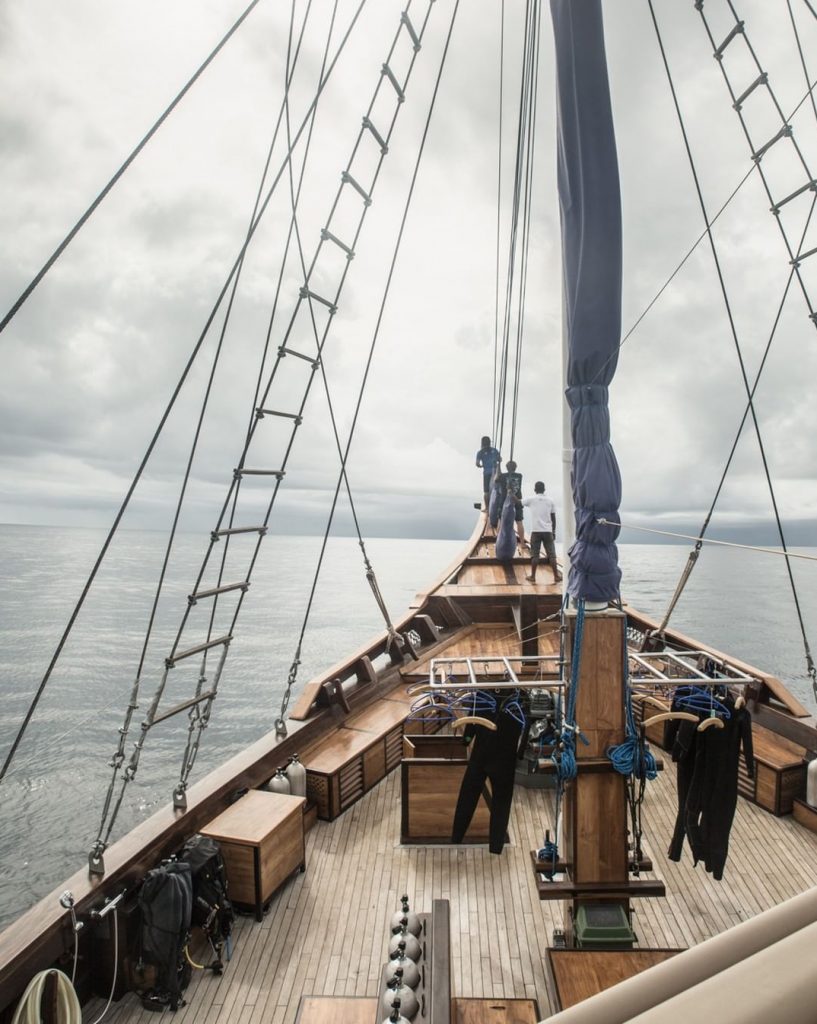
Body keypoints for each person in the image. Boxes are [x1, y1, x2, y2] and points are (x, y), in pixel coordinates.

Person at [521, 481, 562, 583]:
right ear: (544, 489)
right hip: (548, 531)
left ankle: (533, 577)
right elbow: (553, 518)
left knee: (535, 555)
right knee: (552, 555)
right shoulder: (550, 501)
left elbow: (518, 502)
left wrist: (510, 493)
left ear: (535, 490)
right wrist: (554, 532)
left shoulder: (531, 499)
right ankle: (556, 576)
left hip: (536, 531)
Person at [495, 459, 525, 546]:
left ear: (506, 468)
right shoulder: (520, 476)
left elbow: (496, 479)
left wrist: (498, 465)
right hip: (517, 500)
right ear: (515, 468)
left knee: (501, 520)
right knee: (519, 521)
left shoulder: (503, 476)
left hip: (505, 501)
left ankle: (498, 541)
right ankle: (522, 543)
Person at [475, 436, 501, 511]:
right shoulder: (494, 450)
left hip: (486, 473)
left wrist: (482, 465)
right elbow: (500, 459)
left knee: (486, 491)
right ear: (490, 442)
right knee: (497, 490)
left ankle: (487, 508)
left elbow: (477, 464)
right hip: (495, 472)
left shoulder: (480, 452)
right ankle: (498, 507)